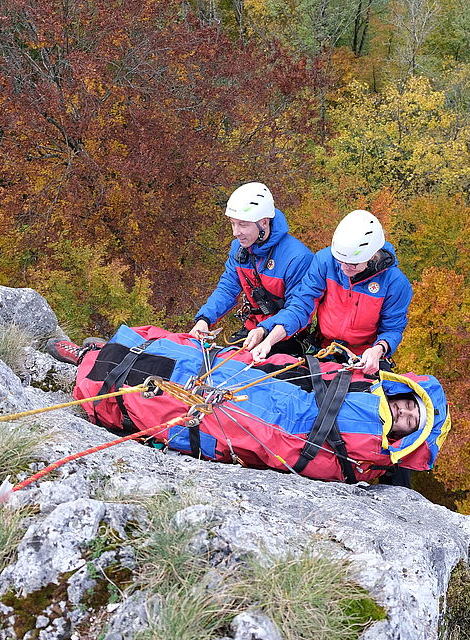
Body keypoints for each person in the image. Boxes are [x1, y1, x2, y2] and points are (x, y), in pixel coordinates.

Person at [64, 325, 449, 484]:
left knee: (172, 400)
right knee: (192, 362)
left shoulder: (369, 459)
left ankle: (91, 364)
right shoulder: (364, 382)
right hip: (262, 383)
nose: (403, 412)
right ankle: (104, 352)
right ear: (401, 394)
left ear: (406, 436)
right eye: (407, 405)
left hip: (260, 422)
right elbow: (305, 371)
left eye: (409, 420)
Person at [247, 210, 412, 376]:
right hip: (324, 347)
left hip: (363, 356)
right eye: (340, 261)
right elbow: (301, 307)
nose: (343, 268)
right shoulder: (325, 261)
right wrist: (268, 337)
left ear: (372, 256)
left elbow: (392, 329)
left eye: (352, 264)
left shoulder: (395, 283)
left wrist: (378, 349)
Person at [188, 182, 313, 355]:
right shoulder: (239, 250)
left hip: (286, 336)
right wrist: (204, 319)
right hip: (253, 330)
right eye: (233, 223)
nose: (235, 232)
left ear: (264, 222)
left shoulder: (297, 258)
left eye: (243, 225)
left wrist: (264, 331)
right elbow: (227, 288)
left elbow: (298, 309)